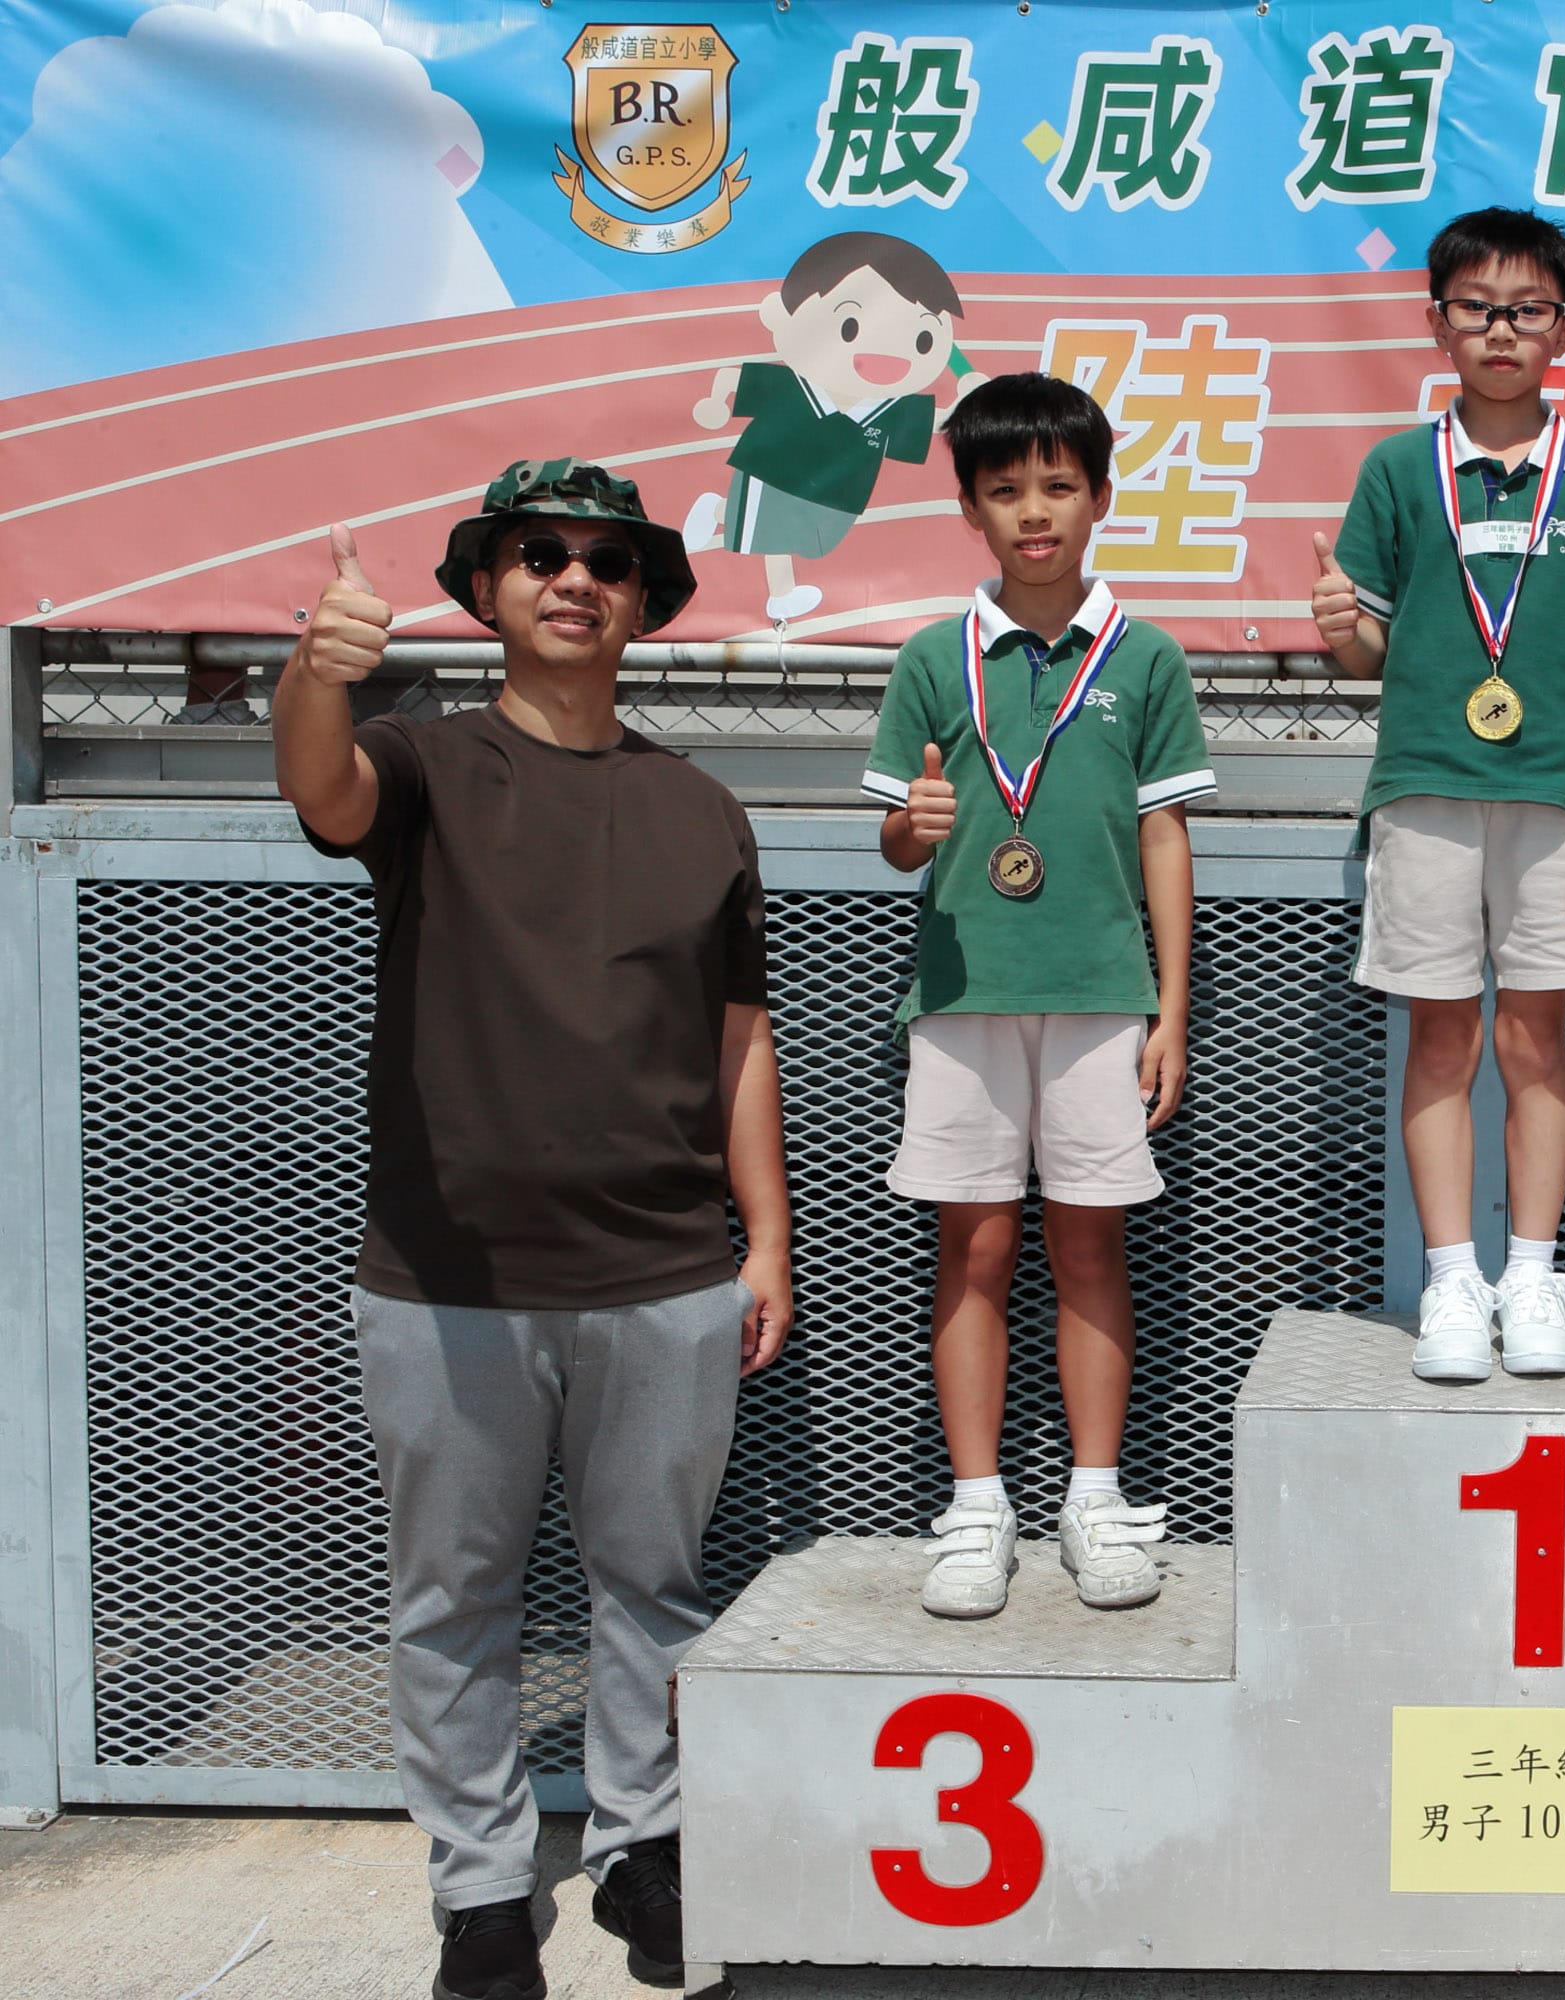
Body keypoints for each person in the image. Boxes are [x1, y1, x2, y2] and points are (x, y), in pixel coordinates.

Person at [272, 460, 791, 1998]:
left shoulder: (704, 809)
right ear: (489, 589)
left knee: (655, 1589)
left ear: (645, 601)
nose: (576, 580)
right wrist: (315, 673)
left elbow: (741, 1039)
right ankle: (485, 1892)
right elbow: (320, 789)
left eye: (608, 562)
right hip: (450, 1278)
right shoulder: (423, 764)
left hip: (667, 1271)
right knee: (453, 1600)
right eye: (541, 554)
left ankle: (641, 1852)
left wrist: (767, 1239)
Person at [861, 373, 1215, 1620]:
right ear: (969, 506)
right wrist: (911, 826)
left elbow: (1164, 835)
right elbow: (898, 844)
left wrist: (1172, 1007)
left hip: (1103, 992)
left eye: (1059, 485)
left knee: (1089, 1243)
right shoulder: (932, 658)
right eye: (1005, 488)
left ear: (1101, 496)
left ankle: (1095, 1494)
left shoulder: (1145, 657)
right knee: (973, 1246)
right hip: (963, 996)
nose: (1035, 511)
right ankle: (976, 1504)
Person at [1310, 206, 1565, 1384]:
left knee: (1536, 1036)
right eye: (1476, 308)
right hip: (1425, 788)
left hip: (1560, 799)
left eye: (1527, 310)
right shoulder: (1398, 469)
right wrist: (1341, 628)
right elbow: (1368, 653)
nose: (1501, 330)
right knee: (1441, 1034)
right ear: (1438, 323)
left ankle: (1533, 1273)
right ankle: (1452, 1277)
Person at [684, 230, 976, 624]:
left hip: (838, 494)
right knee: (772, 532)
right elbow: (732, 379)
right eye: (850, 327)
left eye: (923, 339)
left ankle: (717, 509)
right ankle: (781, 595)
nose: (886, 355)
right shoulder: (791, 388)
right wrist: (715, 403)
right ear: (780, 318)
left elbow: (941, 422)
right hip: (772, 473)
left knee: (814, 542)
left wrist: (967, 400)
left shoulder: (887, 408)